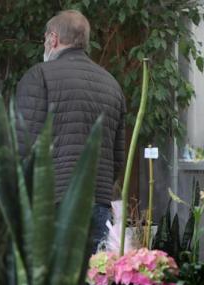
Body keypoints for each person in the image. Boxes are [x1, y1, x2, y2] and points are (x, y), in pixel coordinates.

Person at [15, 9, 126, 256]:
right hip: (98, 202)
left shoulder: (39, 76)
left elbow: (24, 146)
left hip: (52, 203)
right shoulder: (112, 85)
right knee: (92, 284)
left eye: (45, 39)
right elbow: (118, 157)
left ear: (53, 39)